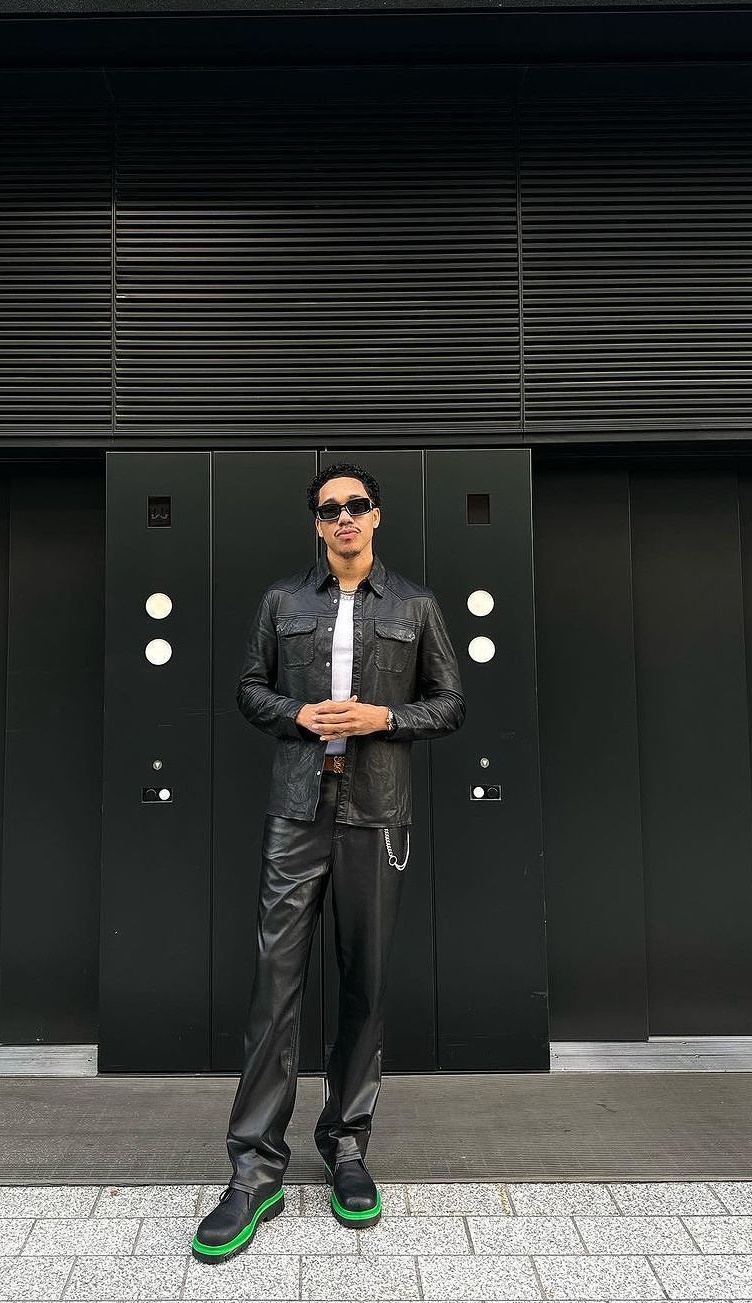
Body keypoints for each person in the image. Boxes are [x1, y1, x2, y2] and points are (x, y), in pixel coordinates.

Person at [191, 462, 465, 1264]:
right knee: (274, 986)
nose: (344, 517)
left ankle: (346, 1146)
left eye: (356, 505)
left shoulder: (415, 604)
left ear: (376, 516)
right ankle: (254, 1169)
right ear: (317, 523)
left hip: (376, 811)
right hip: (297, 810)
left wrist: (386, 717)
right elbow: (249, 688)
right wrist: (296, 712)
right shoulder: (284, 601)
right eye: (329, 508)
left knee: (363, 983)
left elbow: (451, 702)